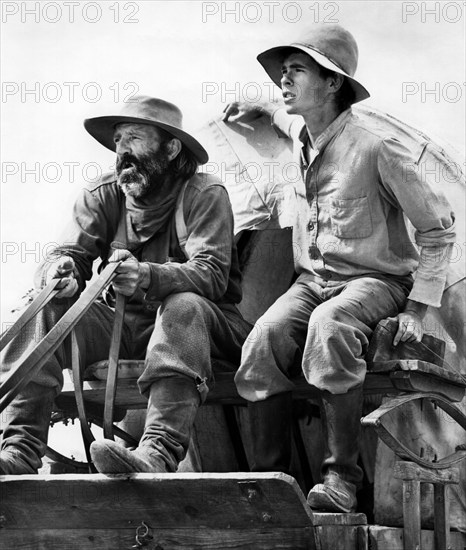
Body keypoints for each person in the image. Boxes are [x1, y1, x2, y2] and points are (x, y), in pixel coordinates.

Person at [223, 25, 456, 513]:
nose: (283, 82)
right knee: (261, 340)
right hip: (313, 280)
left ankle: (341, 480)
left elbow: (437, 230)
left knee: (330, 328)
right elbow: (281, 119)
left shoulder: (377, 148)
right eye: (281, 73)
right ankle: (272, 482)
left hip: (376, 280)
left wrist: (417, 307)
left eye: (297, 71)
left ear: (332, 84)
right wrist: (256, 109)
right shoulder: (299, 135)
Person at [1, 95, 251, 475]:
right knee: (47, 306)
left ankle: (157, 454)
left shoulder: (204, 195)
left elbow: (213, 276)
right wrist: (61, 268)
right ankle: (19, 452)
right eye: (118, 141)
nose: (122, 152)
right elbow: (70, 252)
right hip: (122, 327)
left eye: (134, 138)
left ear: (170, 149)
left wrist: (149, 275)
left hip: (201, 328)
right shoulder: (103, 195)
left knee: (184, 303)